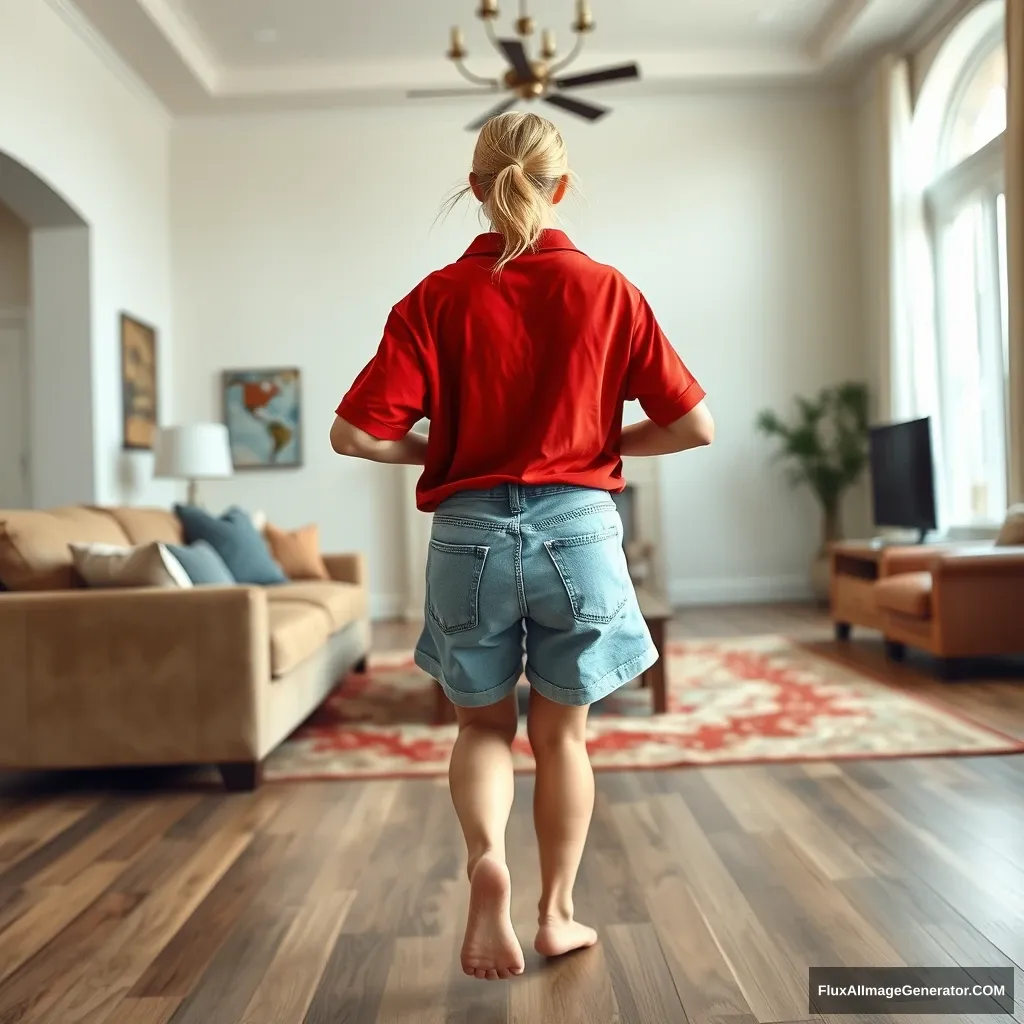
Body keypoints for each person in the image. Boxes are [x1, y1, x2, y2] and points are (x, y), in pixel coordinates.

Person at [331, 111, 713, 982]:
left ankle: (484, 865)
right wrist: (604, 449)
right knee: (565, 738)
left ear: (476, 190)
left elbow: (352, 437)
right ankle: (555, 914)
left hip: (466, 535)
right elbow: (694, 424)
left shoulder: (433, 296)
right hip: (578, 528)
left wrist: (450, 449)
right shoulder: (608, 289)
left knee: (481, 729)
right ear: (562, 186)